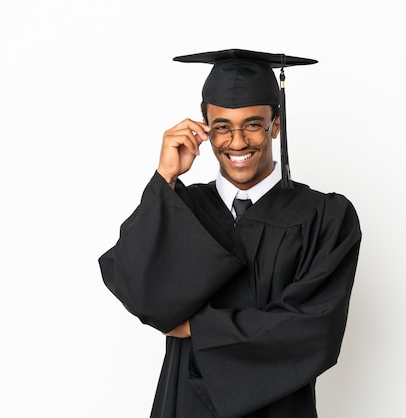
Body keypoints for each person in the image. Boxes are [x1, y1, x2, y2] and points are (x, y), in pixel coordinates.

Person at [98, 49, 362, 418]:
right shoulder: (181, 206)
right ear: (205, 127)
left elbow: (315, 329)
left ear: (275, 124)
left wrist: (199, 329)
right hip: (185, 405)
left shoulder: (326, 217)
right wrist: (165, 178)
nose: (237, 142)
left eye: (253, 124)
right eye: (222, 126)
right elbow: (135, 286)